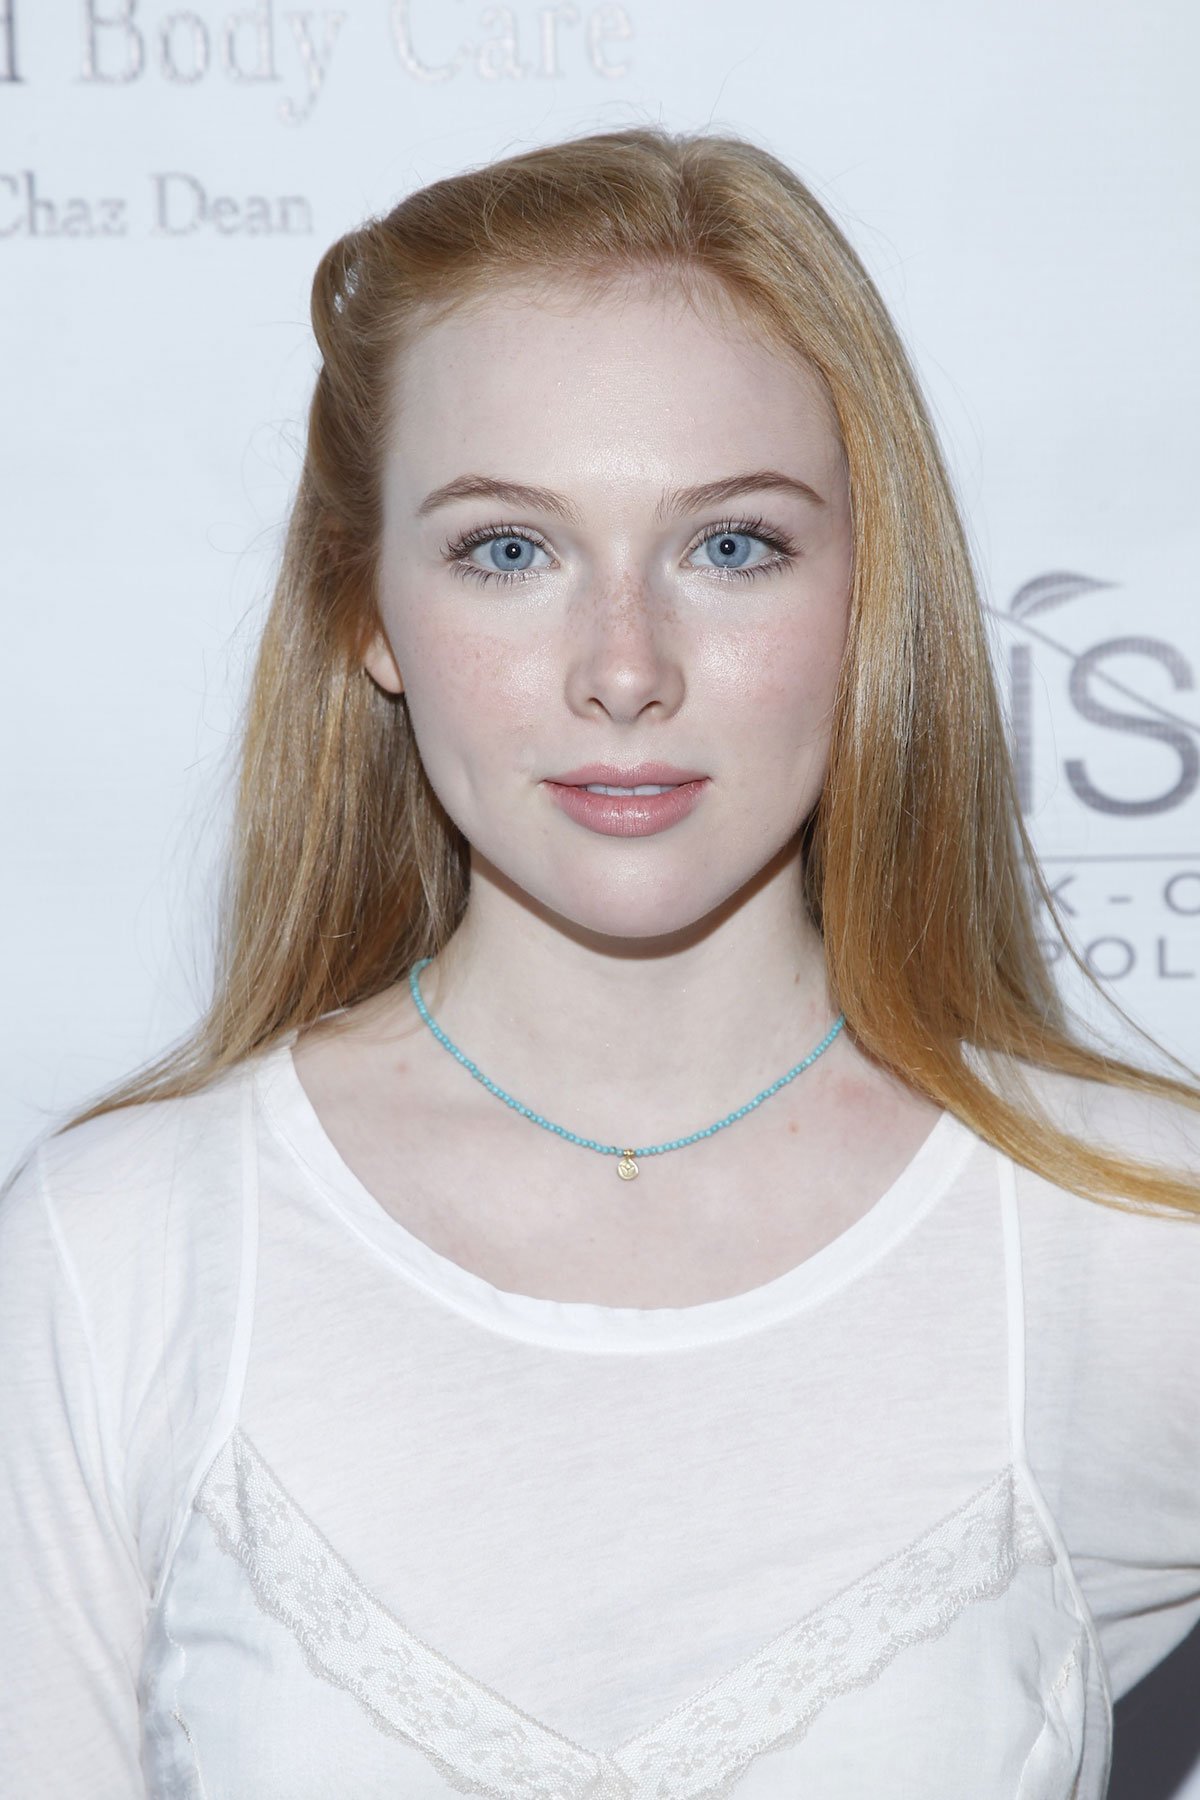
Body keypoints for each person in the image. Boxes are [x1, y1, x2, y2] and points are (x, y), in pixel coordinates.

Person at [1, 124, 1198, 1800]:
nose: (623, 669)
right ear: (366, 611)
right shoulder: (120, 1251)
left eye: (733, 546)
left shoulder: (1133, 1238)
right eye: (509, 549)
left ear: (872, 594)